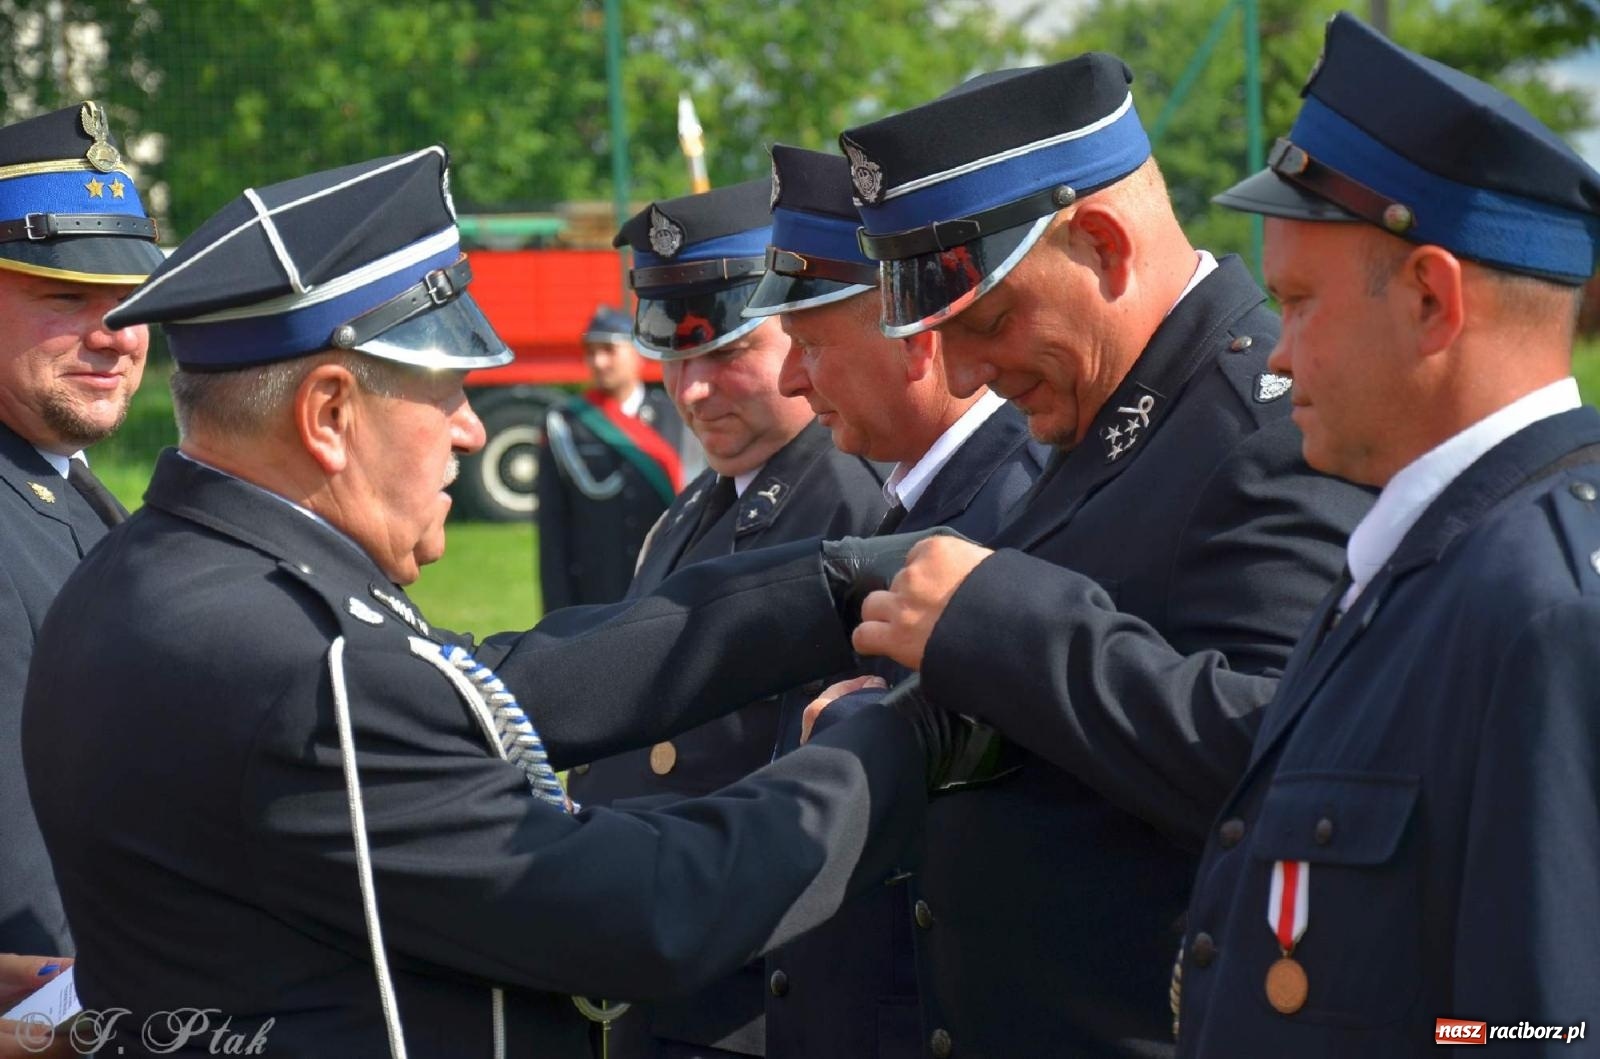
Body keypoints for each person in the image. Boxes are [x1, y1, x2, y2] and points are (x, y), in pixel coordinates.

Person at [19, 148, 976, 1059]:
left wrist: (840, 579)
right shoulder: (313, 674)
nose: (473, 430)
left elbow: (499, 681)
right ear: (328, 415)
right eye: (447, 391)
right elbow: (651, 911)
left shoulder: (158, 575)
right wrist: (894, 738)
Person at [836, 54, 1374, 1055]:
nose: (960, 377)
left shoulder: (1265, 434)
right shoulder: (1102, 411)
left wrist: (994, 621)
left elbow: (1293, 768)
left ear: (1101, 245)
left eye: (987, 321)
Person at [1172, 14, 1600, 1056]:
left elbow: (1527, 1030)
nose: (1273, 358)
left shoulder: (1535, 605)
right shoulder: (1427, 561)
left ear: (1428, 299)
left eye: (1300, 302)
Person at [567, 177, 889, 1059]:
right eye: (675, 356)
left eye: (728, 352)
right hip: (668, 973)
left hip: (759, 998)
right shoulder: (695, 508)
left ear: (795, 333)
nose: (696, 390)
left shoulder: (851, 506)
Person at [739, 143, 1048, 1059]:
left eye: (812, 347)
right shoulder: (919, 501)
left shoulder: (1012, 509)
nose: (794, 381)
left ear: (915, 338)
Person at [0, 101, 163, 980]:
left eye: (134, 303)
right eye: (66, 298)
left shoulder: (58, 480)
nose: (115, 337)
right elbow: (20, 889)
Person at [536, 304, 687, 612]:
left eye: (608, 350)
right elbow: (552, 527)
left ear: (636, 352)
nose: (598, 361)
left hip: (664, 583)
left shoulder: (676, 415)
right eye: (591, 352)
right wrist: (557, 610)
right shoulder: (566, 423)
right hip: (596, 589)